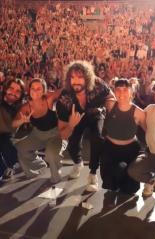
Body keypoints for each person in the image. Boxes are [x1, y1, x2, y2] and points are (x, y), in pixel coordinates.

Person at [55, 60, 114, 192]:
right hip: (76, 118)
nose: (76, 81)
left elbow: (110, 96)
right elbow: (63, 133)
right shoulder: (64, 99)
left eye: (80, 77)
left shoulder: (98, 84)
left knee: (98, 138)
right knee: (72, 143)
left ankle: (93, 173)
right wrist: (71, 125)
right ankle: (77, 163)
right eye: (72, 77)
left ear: (87, 78)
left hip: (95, 113)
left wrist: (110, 109)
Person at [12, 78, 62, 182]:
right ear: (29, 90)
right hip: (38, 135)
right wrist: (21, 121)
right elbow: (13, 123)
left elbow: (64, 90)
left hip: (56, 134)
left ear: (44, 90)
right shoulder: (26, 107)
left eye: (38, 88)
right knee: (19, 147)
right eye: (33, 88)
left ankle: (56, 172)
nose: (35, 91)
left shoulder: (49, 98)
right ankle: (39, 167)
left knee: (51, 154)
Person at [101, 78, 145, 194]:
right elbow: (99, 91)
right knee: (110, 185)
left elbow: (150, 133)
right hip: (110, 149)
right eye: (118, 90)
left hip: (130, 150)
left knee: (130, 189)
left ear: (132, 92)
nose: (121, 93)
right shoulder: (110, 105)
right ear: (114, 92)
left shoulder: (139, 112)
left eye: (125, 90)